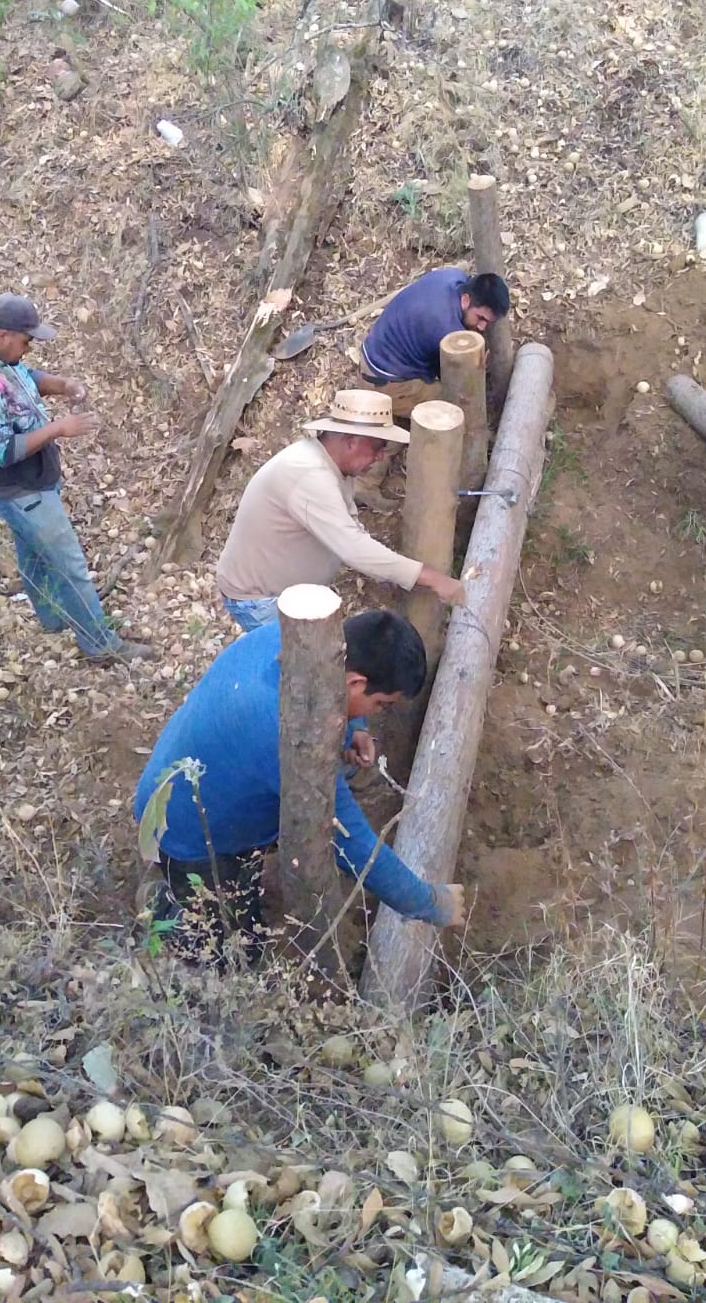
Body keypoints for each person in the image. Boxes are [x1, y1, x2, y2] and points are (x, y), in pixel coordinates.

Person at [133, 609, 466, 960]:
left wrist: (357, 727)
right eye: (381, 703)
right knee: (235, 954)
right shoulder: (287, 732)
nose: (380, 711)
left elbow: (344, 691)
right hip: (183, 831)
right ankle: (162, 904)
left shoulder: (294, 639)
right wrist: (430, 903)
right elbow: (353, 844)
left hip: (191, 786)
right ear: (355, 683)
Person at [0, 293, 152, 664]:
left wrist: (64, 384)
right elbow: (3, 451)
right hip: (20, 490)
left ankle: (53, 614)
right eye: (26, 341)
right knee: (70, 565)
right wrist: (58, 429)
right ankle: (99, 644)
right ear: (4, 335)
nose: (29, 349)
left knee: (35, 554)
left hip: (32, 482)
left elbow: (23, 376)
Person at [215, 389, 465, 633]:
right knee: (302, 667)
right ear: (351, 442)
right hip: (261, 599)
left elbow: (351, 527)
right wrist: (433, 578)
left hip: (282, 590)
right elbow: (355, 549)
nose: (380, 457)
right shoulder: (310, 476)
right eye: (377, 447)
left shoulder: (333, 465)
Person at [360, 268, 510, 416]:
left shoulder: (453, 276)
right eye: (480, 318)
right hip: (383, 381)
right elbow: (456, 378)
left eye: (489, 322)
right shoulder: (445, 329)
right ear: (465, 299)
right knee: (456, 407)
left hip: (374, 349)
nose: (482, 327)